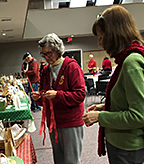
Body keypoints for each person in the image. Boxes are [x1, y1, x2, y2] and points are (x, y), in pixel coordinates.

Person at [82, 5, 144, 164]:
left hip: (127, 145)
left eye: (101, 38)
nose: (100, 43)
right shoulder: (129, 59)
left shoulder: (131, 63)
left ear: (114, 35)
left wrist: (100, 117)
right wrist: (105, 107)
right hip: (126, 143)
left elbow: (139, 116)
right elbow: (128, 101)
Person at [31, 33, 86, 164]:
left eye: (49, 53)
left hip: (70, 122)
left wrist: (58, 94)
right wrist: (38, 98)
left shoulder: (71, 67)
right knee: (59, 160)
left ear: (57, 50)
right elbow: (45, 97)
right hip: (54, 122)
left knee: (72, 160)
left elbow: (80, 94)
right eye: (43, 54)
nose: (46, 57)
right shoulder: (45, 70)